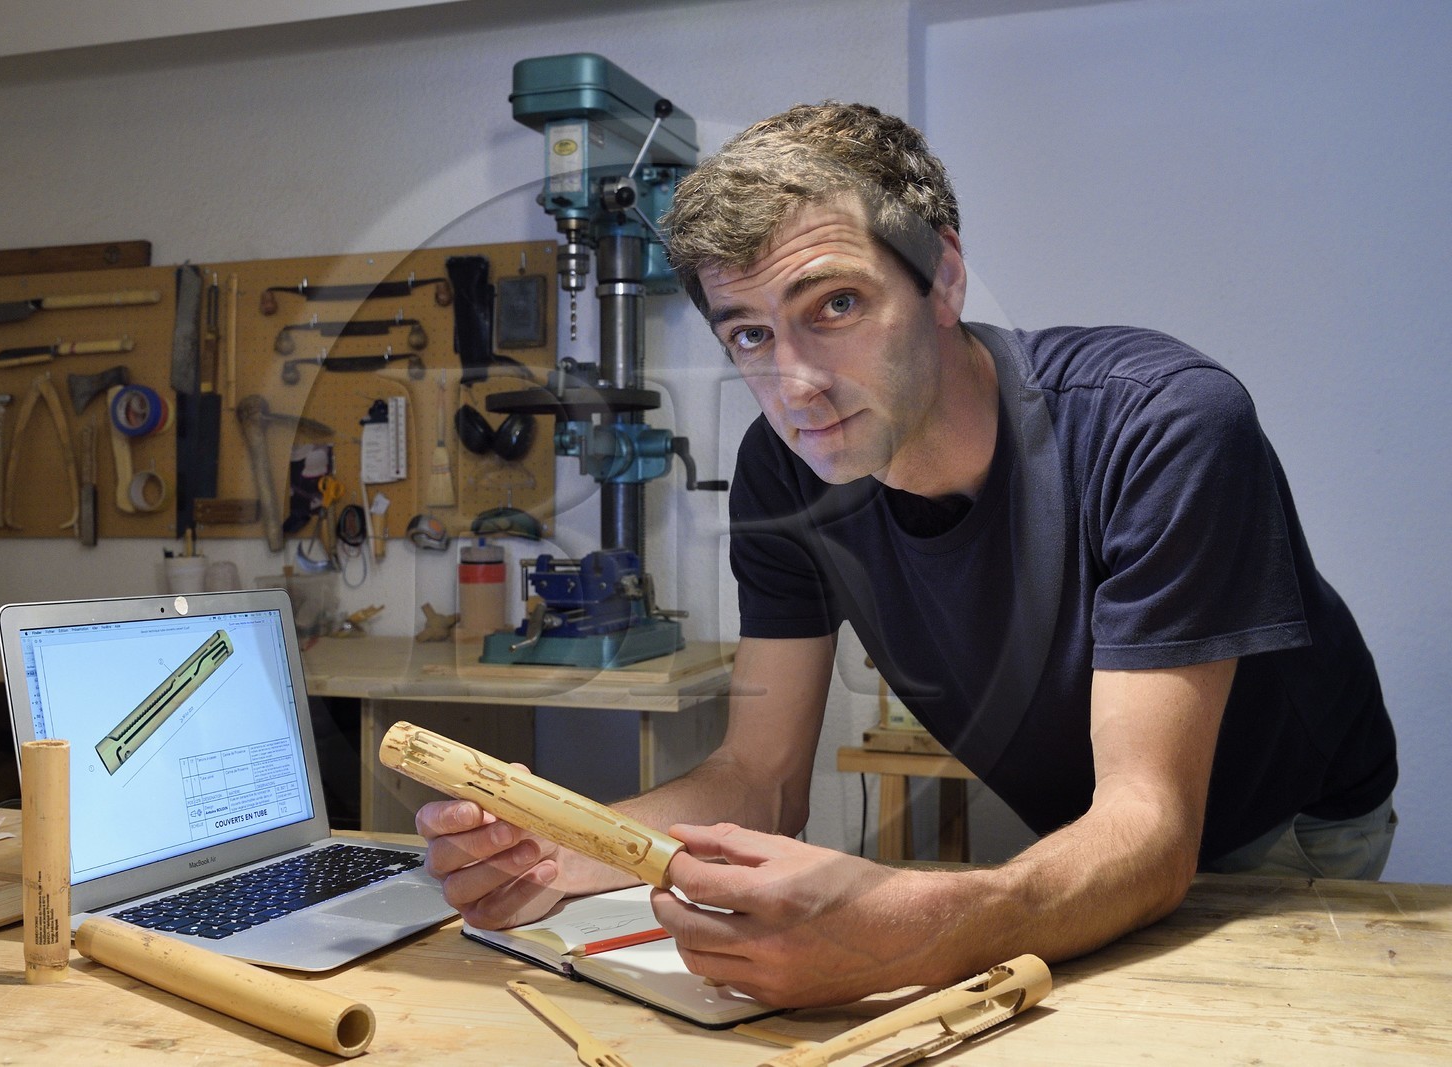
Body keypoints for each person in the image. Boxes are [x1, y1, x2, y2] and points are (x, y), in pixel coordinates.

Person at [415, 102, 1398, 1008]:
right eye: (750, 333)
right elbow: (760, 776)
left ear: (945, 276)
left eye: (834, 306)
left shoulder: (1160, 423)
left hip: (1288, 826)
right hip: (1093, 835)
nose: (793, 382)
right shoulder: (784, 472)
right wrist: (565, 847)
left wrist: (911, 930)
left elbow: (1151, 828)